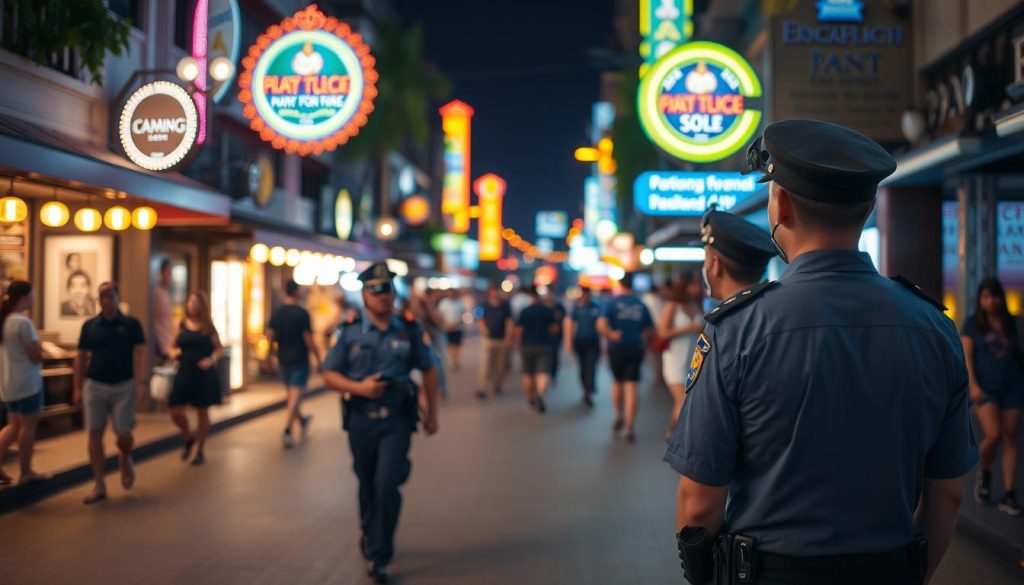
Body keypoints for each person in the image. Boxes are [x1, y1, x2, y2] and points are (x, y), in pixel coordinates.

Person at [667, 119, 976, 585]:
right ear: (869, 207)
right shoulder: (934, 326)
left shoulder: (736, 329)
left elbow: (699, 501)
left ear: (782, 204)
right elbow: (948, 493)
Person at [321, 263, 440, 584]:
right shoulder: (348, 330)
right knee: (367, 481)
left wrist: (433, 413)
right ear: (364, 295)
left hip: (398, 419)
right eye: (376, 290)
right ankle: (369, 528)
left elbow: (428, 370)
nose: (384, 296)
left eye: (388, 288)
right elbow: (329, 375)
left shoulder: (408, 328)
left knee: (387, 483)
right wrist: (360, 388)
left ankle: (380, 554)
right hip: (361, 419)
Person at [74, 282, 147, 504]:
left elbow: (140, 353)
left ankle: (125, 456)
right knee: (94, 433)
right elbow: (80, 357)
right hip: (95, 385)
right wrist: (77, 387)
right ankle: (99, 484)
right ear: (98, 299)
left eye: (110, 296)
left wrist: (140, 381)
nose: (106, 300)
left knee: (123, 433)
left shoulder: (131, 324)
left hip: (123, 386)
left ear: (117, 297)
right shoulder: (90, 326)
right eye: (102, 297)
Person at [961, 278, 1023, 516]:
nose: (990, 301)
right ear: (980, 299)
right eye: (985, 297)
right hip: (985, 389)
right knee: (993, 435)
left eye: (994, 296)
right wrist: (973, 386)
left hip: (1013, 387)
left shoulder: (1011, 323)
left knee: (1010, 439)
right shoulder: (972, 324)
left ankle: (1009, 493)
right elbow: (966, 356)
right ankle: (984, 471)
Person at [0, 281, 49, 485]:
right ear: (24, 297)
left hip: (8, 383)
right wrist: (43, 351)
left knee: (12, 426)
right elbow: (35, 355)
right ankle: (26, 471)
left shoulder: (5, 320)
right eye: (33, 294)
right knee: (27, 427)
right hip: (28, 383)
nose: (35, 298)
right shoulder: (23, 323)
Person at [167, 291, 223, 466]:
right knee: (175, 409)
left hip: (203, 373)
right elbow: (172, 346)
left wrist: (211, 360)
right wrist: (173, 353)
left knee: (202, 412)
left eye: (196, 302)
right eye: (190, 301)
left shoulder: (208, 327)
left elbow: (219, 349)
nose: (192, 305)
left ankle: (200, 450)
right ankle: (188, 436)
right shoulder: (182, 325)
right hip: (185, 370)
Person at [598, 273, 654, 443]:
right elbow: (650, 330)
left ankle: (619, 414)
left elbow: (601, 325)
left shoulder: (611, 302)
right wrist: (645, 343)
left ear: (620, 285)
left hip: (616, 348)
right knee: (632, 386)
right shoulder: (640, 304)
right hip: (635, 347)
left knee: (617, 382)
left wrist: (611, 335)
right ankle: (630, 427)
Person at [266, 280, 322, 449]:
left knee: (292, 395)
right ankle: (287, 429)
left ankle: (302, 420)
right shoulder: (302, 313)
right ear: (296, 292)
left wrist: (267, 357)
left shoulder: (277, 313)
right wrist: (318, 358)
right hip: (299, 359)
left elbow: (269, 336)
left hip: (283, 359)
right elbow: (309, 339)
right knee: (295, 394)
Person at [658, 274, 704, 438]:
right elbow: (662, 333)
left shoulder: (696, 304)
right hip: (674, 359)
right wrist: (689, 328)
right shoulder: (672, 305)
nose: (698, 288)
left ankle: (672, 432)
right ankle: (677, 436)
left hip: (693, 359)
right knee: (684, 400)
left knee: (684, 400)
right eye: (694, 285)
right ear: (685, 286)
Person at [514, 286, 557, 414]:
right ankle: (540, 393)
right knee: (542, 372)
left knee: (528, 373)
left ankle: (531, 398)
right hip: (544, 345)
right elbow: (554, 328)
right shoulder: (547, 311)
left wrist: (517, 344)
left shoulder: (524, 311)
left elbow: (518, 330)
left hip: (527, 345)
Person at [476, 283, 512, 400]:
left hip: (501, 339)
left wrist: (508, 337)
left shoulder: (505, 305)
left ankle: (498, 384)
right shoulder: (484, 304)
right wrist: (483, 329)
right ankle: (482, 388)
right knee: (485, 365)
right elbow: (480, 319)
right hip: (488, 339)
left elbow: (509, 321)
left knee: (500, 365)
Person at [570, 287, 602, 408]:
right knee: (583, 366)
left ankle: (589, 391)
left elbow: (601, 324)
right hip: (579, 341)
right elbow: (571, 323)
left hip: (593, 342)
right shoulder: (576, 307)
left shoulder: (596, 307)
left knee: (591, 366)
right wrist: (569, 341)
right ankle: (585, 388)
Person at [641, 279, 668, 392]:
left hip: (651, 330)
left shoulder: (645, 299)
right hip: (658, 329)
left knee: (654, 354)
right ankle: (659, 376)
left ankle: (658, 376)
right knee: (658, 354)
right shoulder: (658, 300)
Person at [152, 259, 175, 362]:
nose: (170, 276)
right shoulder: (157, 293)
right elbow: (157, 321)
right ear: (161, 273)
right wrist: (164, 346)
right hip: (162, 344)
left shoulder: (165, 292)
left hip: (169, 342)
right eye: (168, 272)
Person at [438, 289, 465, 372]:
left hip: (458, 328)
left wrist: (457, 323)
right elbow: (440, 316)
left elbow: (463, 315)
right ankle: (451, 363)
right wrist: (445, 325)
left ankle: (455, 362)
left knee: (456, 346)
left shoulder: (460, 302)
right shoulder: (443, 303)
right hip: (447, 328)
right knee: (450, 346)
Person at [544, 290, 567, 385]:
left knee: (554, 355)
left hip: (557, 336)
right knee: (545, 356)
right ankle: (546, 373)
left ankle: (552, 374)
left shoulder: (559, 307)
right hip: (544, 337)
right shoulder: (543, 307)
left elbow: (565, 320)